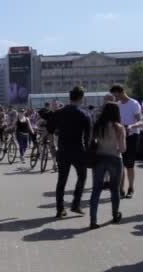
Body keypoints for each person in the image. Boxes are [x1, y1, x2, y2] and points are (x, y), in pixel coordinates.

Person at [48, 86, 91, 218]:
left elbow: (50, 129)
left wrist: (53, 147)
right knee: (82, 176)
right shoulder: (84, 114)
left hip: (63, 150)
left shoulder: (59, 112)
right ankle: (75, 204)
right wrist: (87, 152)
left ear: (70, 97)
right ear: (81, 98)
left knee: (61, 180)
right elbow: (87, 137)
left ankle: (60, 209)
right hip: (78, 150)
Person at [89, 102, 126, 229]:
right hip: (115, 158)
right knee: (114, 189)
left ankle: (93, 220)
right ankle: (115, 215)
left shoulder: (98, 125)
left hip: (99, 158)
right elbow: (122, 149)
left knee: (96, 190)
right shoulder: (119, 127)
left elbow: (92, 142)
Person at [110, 84, 142, 199]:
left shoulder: (134, 104)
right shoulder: (117, 105)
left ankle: (131, 188)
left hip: (132, 135)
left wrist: (131, 126)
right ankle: (120, 188)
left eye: (116, 95)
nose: (115, 97)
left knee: (130, 164)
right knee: (120, 164)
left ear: (122, 92)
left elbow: (140, 121)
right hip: (120, 136)